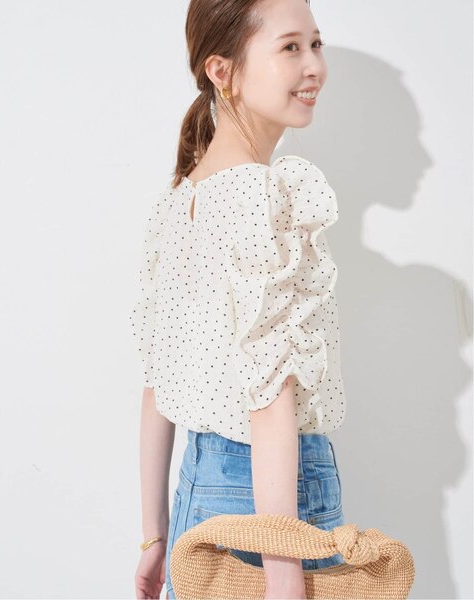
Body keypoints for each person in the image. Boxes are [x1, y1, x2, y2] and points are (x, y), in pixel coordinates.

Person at [131, 0, 347, 598]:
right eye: (289, 47)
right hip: (272, 503)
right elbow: (271, 394)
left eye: (316, 43)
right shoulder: (266, 195)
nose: (314, 65)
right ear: (222, 70)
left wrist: (154, 536)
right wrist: (284, 574)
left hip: (197, 493)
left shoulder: (178, 201)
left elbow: (157, 385)